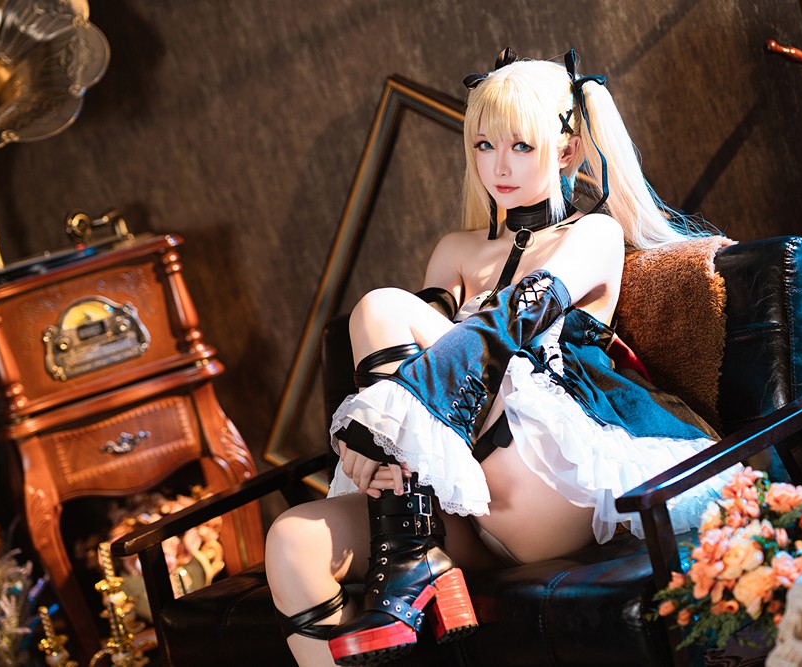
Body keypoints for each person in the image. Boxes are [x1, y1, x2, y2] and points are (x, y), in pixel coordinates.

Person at [265, 48, 727, 667]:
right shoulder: (455, 251)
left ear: (566, 150)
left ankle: (409, 558)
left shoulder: (592, 233)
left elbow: (517, 318)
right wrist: (387, 428)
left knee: (378, 309)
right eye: (484, 145)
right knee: (291, 540)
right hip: (454, 510)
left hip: (543, 481)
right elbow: (410, 358)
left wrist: (380, 420)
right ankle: (413, 554)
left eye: (521, 146)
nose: (498, 165)